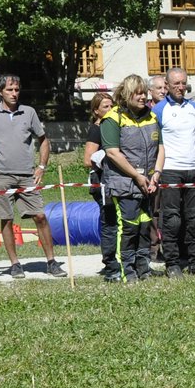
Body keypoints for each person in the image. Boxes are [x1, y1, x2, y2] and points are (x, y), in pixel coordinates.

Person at [0, 74, 65, 278]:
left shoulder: (28, 112)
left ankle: (51, 262)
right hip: (0, 175)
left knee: (40, 216)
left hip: (27, 175)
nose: (13, 93)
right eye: (9, 90)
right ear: (0, 92)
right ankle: (15, 264)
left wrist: (41, 166)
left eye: (16, 90)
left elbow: (43, 140)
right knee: (7, 219)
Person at [100, 73, 161, 282]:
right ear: (127, 94)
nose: (143, 96)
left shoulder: (152, 116)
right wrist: (136, 176)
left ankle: (143, 270)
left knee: (145, 226)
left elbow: (160, 147)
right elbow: (112, 152)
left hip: (148, 184)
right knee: (128, 228)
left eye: (144, 92)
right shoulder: (112, 118)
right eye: (138, 93)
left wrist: (156, 174)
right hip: (124, 183)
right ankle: (127, 271)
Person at [153, 66, 195, 277]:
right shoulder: (158, 110)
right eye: (175, 83)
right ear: (167, 86)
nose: (180, 87)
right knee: (172, 219)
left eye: (183, 83)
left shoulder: (193, 107)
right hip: (170, 170)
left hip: (194, 169)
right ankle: (172, 264)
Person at [82, 91, 120, 280]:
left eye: (112, 106)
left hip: (117, 179)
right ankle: (110, 263)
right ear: (96, 111)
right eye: (105, 106)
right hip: (102, 182)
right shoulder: (96, 129)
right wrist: (105, 157)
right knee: (109, 222)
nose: (110, 109)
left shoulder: (113, 127)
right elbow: (88, 159)